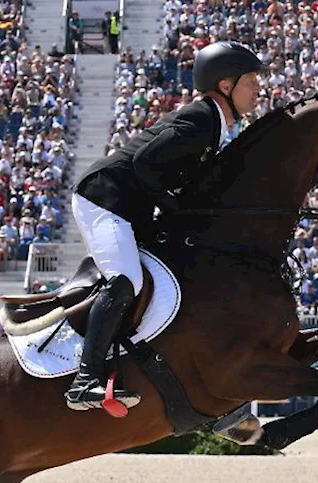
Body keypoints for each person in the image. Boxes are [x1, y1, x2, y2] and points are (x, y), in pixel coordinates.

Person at [66, 40, 265, 412]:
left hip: (132, 206)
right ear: (226, 85)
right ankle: (85, 380)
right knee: (127, 280)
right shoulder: (201, 120)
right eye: (251, 80)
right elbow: (144, 164)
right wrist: (175, 208)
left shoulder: (213, 124)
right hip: (105, 200)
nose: (258, 88)